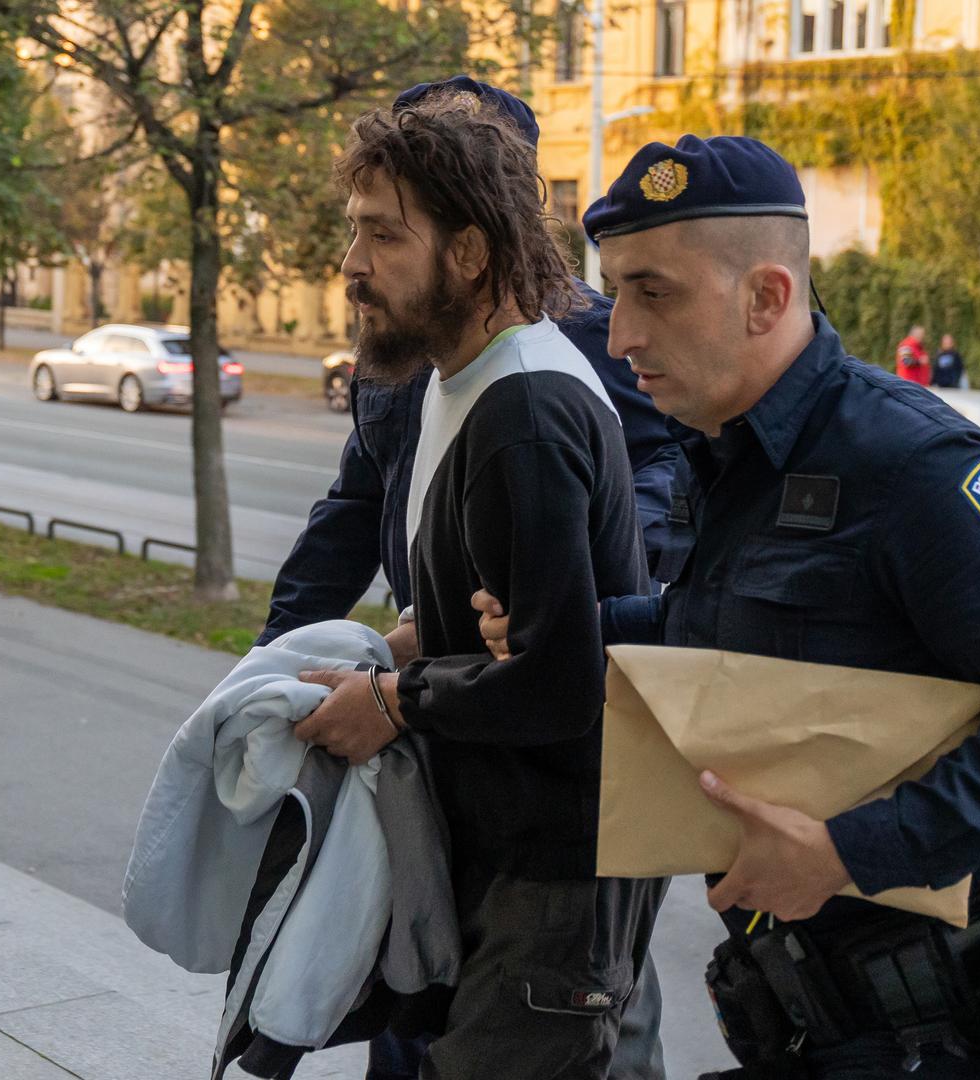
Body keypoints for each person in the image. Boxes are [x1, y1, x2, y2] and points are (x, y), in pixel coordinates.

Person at [473, 135, 980, 1078]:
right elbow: (733, 641)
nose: (619, 333)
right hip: (815, 1007)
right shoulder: (729, 448)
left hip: (940, 1024)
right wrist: (562, 630)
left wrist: (847, 851)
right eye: (615, 291)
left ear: (766, 297)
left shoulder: (913, 467)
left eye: (652, 292)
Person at [255, 76, 675, 1080]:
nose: (351, 266)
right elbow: (360, 514)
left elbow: (559, 683)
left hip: (550, 864)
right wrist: (341, 653)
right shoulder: (445, 372)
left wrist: (396, 700)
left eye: (383, 237)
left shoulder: (524, 407)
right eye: (354, 232)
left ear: (472, 248)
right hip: (476, 828)